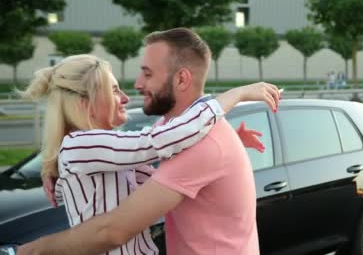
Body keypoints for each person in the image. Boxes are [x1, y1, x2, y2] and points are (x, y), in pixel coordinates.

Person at [18, 28, 281, 254]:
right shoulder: (90, 145)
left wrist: (228, 130)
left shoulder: (180, 136)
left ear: (181, 79)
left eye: (147, 73)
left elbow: (163, 155)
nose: (133, 87)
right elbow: (158, 148)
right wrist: (232, 102)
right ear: (85, 103)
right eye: (114, 89)